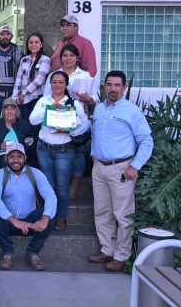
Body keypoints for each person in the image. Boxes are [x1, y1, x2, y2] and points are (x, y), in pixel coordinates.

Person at [88, 70, 153, 272]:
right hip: (99, 168)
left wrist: (135, 166)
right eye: (109, 84)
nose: (113, 89)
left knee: (123, 215)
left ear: (124, 88)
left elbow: (146, 141)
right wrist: (93, 154)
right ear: (104, 87)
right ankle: (107, 249)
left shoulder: (132, 111)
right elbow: (95, 134)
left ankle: (121, 255)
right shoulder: (99, 109)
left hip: (122, 169)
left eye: (117, 85)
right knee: (102, 212)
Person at [29, 71, 89, 231]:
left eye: (61, 82)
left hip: (64, 150)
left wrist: (70, 131)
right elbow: (32, 120)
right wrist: (48, 110)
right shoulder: (43, 101)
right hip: (44, 149)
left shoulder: (73, 103)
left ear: (66, 84)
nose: (57, 85)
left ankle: (61, 217)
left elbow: (85, 125)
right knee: (48, 187)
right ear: (50, 84)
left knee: (62, 187)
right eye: (54, 82)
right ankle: (49, 217)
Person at [0, 143, 56, 271]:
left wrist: (45, 218)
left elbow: (50, 196)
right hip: (8, 223)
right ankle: (7, 254)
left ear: (25, 158)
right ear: (6, 158)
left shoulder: (35, 173)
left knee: (48, 214)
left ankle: (32, 253)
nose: (15, 160)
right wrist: (14, 220)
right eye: (12, 156)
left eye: (19, 156)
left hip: (30, 223)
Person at [44, 43, 99, 200]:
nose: (68, 58)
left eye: (71, 55)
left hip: (79, 120)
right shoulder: (54, 75)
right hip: (59, 119)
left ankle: (74, 187)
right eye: (65, 56)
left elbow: (95, 97)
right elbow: (46, 98)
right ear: (61, 58)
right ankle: (59, 188)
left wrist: (88, 99)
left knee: (78, 153)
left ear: (77, 58)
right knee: (61, 152)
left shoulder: (85, 76)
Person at [0, 25, 24, 125]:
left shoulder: (19, 52)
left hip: (14, 93)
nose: (5, 36)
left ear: (12, 36)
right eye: (2, 34)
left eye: (8, 34)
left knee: (15, 122)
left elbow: (23, 72)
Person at [0, 97, 35, 173]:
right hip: (0, 162)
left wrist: (19, 148)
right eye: (6, 109)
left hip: (21, 159)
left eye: (12, 109)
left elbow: (31, 149)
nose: (9, 111)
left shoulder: (26, 126)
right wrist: (0, 147)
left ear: (17, 111)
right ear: (2, 111)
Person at [12, 32, 51, 120]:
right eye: (31, 42)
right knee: (25, 124)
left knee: (34, 125)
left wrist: (23, 93)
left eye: (36, 42)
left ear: (41, 44)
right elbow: (18, 79)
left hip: (37, 98)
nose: (33, 45)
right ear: (28, 45)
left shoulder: (45, 60)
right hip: (24, 100)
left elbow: (39, 81)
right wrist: (14, 98)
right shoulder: (24, 59)